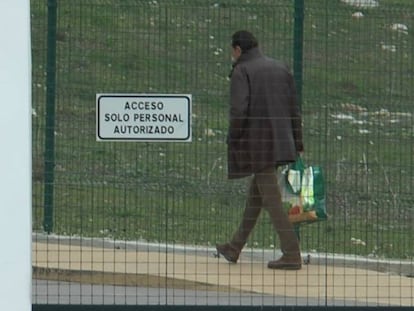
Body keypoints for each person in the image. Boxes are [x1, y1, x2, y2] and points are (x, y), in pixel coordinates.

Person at [216, 30, 304, 270]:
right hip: (282, 142)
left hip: (258, 145)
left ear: (237, 50)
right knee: (256, 196)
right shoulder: (280, 68)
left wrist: (233, 138)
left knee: (272, 199)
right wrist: (298, 142)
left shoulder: (241, 71)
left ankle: (291, 253)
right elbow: (293, 108)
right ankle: (234, 247)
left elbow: (238, 111)